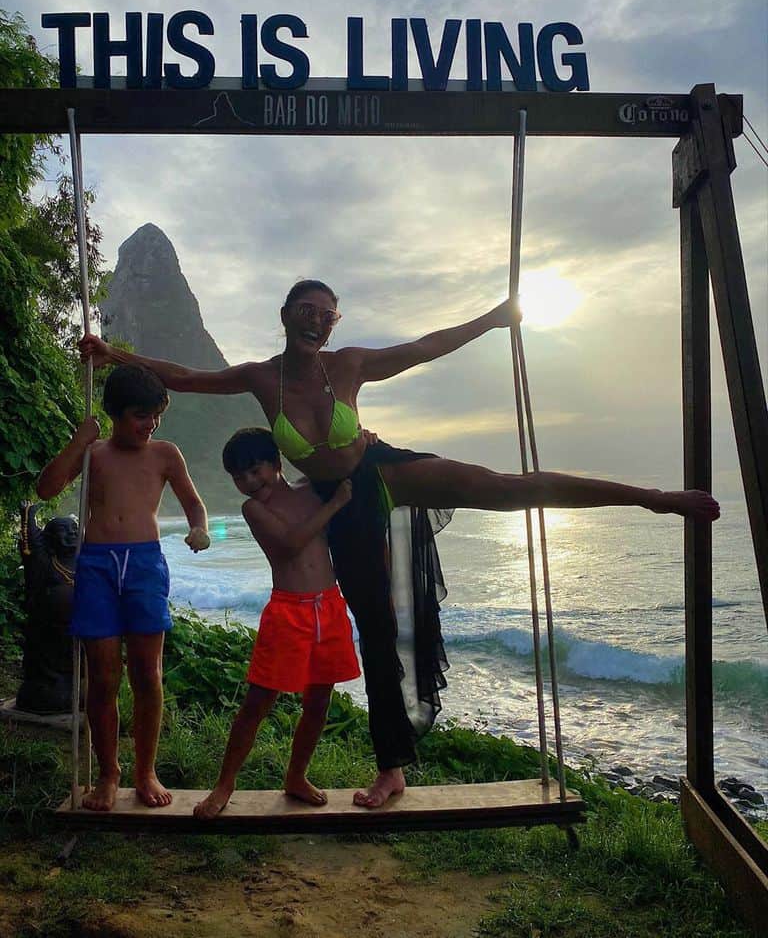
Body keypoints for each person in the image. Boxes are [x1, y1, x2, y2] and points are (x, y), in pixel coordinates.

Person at [79, 283, 720, 808]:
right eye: (307, 311)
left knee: (500, 486)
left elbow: (425, 347)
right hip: (343, 510)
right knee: (377, 630)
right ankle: (393, 768)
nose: (318, 322)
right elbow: (185, 377)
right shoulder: (260, 378)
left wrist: (494, 319)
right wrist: (113, 356)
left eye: (327, 315)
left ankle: (653, 498)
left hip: (378, 470)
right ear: (285, 316)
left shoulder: (350, 363)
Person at [37, 364, 210, 811]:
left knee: (147, 674)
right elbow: (47, 486)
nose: (149, 424)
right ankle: (108, 774)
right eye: (139, 415)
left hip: (145, 565)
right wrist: (79, 441)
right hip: (96, 565)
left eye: (155, 415)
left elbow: (194, 504)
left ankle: (145, 771)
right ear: (114, 413)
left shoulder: (166, 454)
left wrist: (199, 529)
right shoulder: (94, 453)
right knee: (103, 675)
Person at [193, 427, 360, 819]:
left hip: (329, 607)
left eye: (255, 471)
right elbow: (289, 544)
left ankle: (296, 777)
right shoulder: (254, 509)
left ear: (277, 464)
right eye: (239, 478)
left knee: (319, 702)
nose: (249, 483)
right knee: (258, 702)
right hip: (288, 611)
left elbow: (344, 456)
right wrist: (335, 504)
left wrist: (360, 441)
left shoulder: (311, 489)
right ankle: (224, 785)